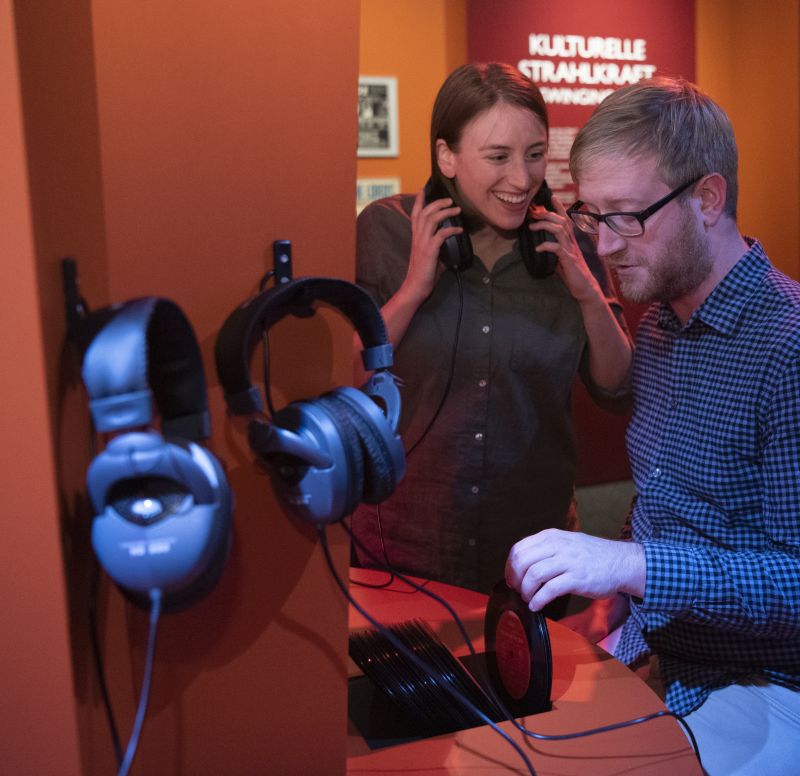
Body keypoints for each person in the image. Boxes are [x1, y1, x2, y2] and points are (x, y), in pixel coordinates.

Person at [505, 76, 800, 774]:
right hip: (664, 655)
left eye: (627, 216)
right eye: (592, 214)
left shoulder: (788, 348)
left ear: (707, 199)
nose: (604, 246)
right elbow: (671, 497)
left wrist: (633, 568)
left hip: (770, 682)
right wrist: (619, 601)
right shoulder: (664, 326)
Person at [351, 62, 632, 597]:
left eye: (534, 154)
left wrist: (587, 292)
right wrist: (414, 287)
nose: (523, 179)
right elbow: (347, 374)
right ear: (447, 156)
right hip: (403, 542)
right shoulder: (385, 230)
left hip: (530, 549)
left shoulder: (569, 244)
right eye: (498, 157)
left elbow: (618, 388)